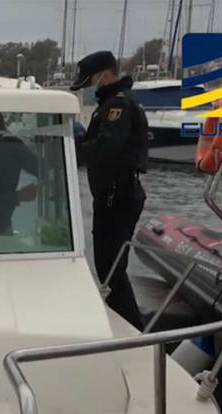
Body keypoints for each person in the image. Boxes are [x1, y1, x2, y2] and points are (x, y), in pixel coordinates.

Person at [70, 51, 149, 329]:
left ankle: (133, 329)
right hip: (111, 196)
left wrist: (72, 150)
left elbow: (107, 147)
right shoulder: (111, 104)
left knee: (112, 270)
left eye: (91, 80)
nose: (90, 87)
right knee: (107, 268)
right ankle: (124, 321)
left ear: (104, 75)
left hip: (118, 197)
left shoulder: (118, 106)